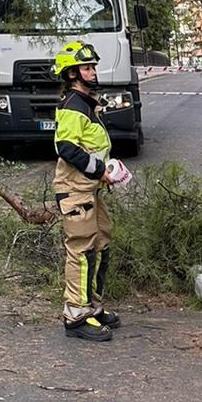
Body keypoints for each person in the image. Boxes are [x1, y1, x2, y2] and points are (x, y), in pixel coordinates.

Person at [52, 39, 121, 341]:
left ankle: (93, 306)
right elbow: (65, 146)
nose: (93, 72)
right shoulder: (73, 105)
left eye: (93, 66)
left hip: (91, 189)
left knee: (101, 242)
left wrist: (103, 173)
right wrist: (100, 169)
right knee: (81, 249)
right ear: (72, 74)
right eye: (87, 67)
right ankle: (75, 315)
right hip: (75, 190)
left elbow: (88, 145)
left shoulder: (87, 103)